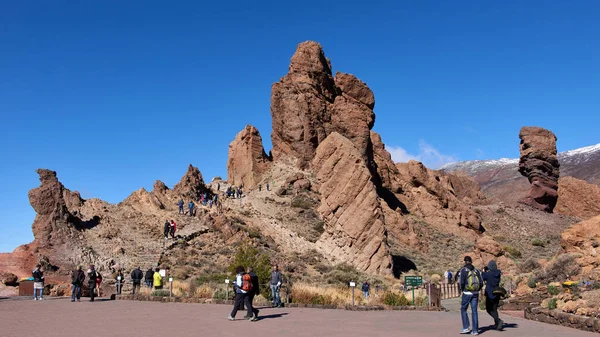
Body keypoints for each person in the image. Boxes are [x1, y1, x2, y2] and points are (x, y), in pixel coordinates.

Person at [458, 256, 483, 335]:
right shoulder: (476, 270)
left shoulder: (463, 270)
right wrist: (477, 290)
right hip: (475, 293)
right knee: (474, 311)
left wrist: (462, 290)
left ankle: (466, 327)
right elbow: (481, 282)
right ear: (471, 261)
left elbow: (461, 282)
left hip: (467, 293)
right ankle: (475, 330)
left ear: (465, 261)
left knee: (463, 309)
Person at [482, 261, 504, 331]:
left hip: (490, 294)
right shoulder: (498, 274)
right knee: (494, 309)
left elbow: (482, 277)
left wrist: (483, 271)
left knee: (488, 309)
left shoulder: (488, 274)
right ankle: (497, 325)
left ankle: (498, 321)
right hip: (497, 293)